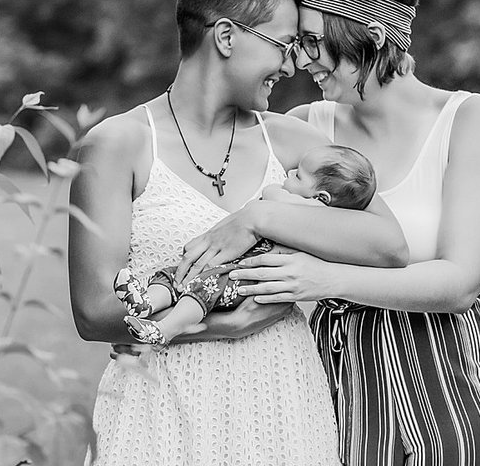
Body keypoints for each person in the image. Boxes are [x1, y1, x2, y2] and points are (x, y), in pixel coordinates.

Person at [176, 0, 480, 466]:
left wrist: (319, 278)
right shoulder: (310, 129)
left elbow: (459, 281)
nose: (300, 60)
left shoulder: (469, 120)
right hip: (337, 387)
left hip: (449, 381)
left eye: (315, 43)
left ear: (373, 37)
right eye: (296, 41)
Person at [68, 0, 409, 466]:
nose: (292, 63)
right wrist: (229, 324)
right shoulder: (116, 146)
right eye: (282, 43)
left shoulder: (296, 146)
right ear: (226, 36)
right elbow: (92, 310)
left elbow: (386, 244)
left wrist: (258, 219)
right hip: (161, 417)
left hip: (282, 413)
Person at [115, 143, 376, 344]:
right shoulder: (318, 221)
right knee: (175, 276)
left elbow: (271, 193)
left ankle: (165, 330)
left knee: (202, 291)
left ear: (320, 198)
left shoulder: (311, 217)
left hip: (242, 278)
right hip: (225, 268)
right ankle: (145, 302)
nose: (290, 172)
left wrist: (303, 207)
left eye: (299, 177)